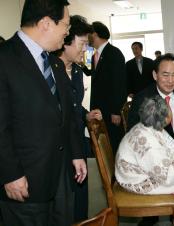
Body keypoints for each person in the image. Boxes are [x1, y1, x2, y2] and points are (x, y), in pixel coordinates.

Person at [0, 0, 87, 225]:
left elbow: (65, 116)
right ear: (46, 23)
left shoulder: (54, 64)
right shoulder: (5, 59)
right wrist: (10, 174)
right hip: (25, 180)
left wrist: (76, 153)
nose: (67, 32)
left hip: (60, 176)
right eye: (65, 25)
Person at [53, 15, 102, 223]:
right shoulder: (50, 70)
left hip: (78, 141)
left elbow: (73, 106)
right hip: (59, 146)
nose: (85, 50)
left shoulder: (77, 72)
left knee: (81, 197)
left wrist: (85, 114)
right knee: (63, 203)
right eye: (82, 44)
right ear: (66, 42)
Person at [115, 96, 174, 196]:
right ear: (164, 118)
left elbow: (167, 147)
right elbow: (168, 178)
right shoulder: (147, 142)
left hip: (139, 174)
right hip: (139, 181)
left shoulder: (148, 126)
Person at [88, 21, 127, 152]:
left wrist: (116, 111)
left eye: (89, 33)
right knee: (104, 147)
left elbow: (120, 83)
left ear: (95, 34)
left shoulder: (114, 53)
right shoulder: (95, 55)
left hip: (111, 111)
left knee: (114, 145)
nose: (87, 36)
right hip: (99, 110)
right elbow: (91, 73)